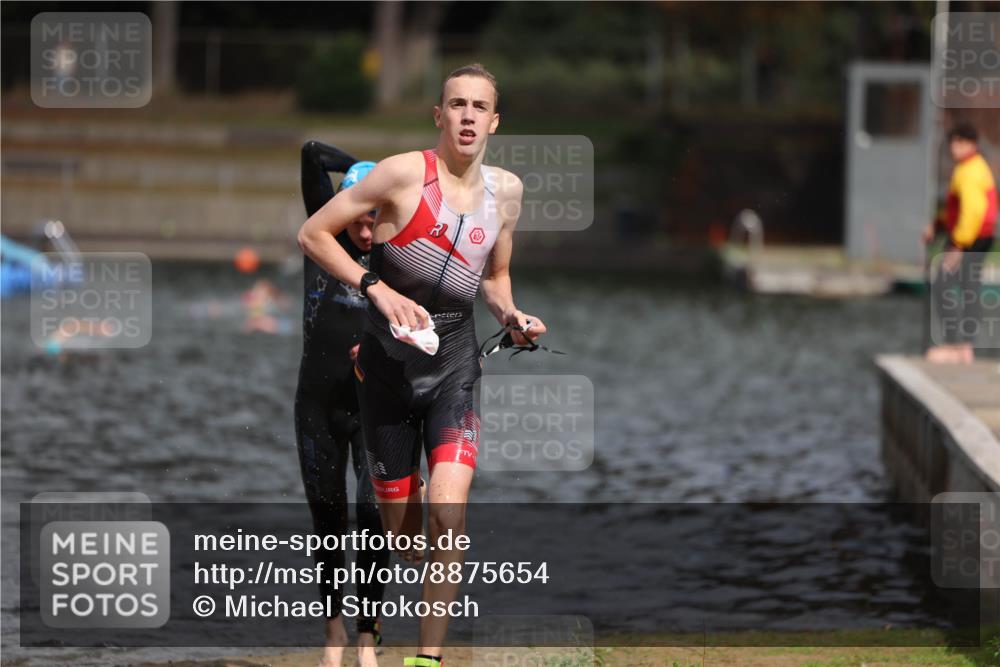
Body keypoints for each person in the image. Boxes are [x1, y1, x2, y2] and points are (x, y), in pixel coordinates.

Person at [298, 63, 547, 667]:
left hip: (455, 368)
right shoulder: (401, 174)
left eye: (478, 107)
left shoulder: (506, 193)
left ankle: (425, 661)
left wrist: (513, 316)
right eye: (456, 104)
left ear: (494, 120)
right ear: (439, 115)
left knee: (449, 516)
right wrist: (374, 287)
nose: (467, 116)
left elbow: (496, 277)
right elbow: (313, 234)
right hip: (385, 372)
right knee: (405, 538)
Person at [295, 142, 388, 667]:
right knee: (328, 520)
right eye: (359, 214)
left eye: (376, 216)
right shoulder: (323, 239)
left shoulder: (397, 255)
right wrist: (362, 173)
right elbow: (311, 154)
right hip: (317, 405)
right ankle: (333, 637)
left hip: (375, 409)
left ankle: (368, 640)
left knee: (372, 516)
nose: (367, 229)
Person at [922, 122, 998, 363]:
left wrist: (957, 245)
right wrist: (938, 224)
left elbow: (973, 212)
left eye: (961, 142)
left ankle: (958, 346)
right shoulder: (964, 169)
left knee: (944, 283)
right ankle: (963, 348)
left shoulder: (972, 171)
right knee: (967, 288)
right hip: (973, 239)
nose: (955, 147)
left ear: (972, 145)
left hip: (971, 240)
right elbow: (955, 209)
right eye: (953, 142)